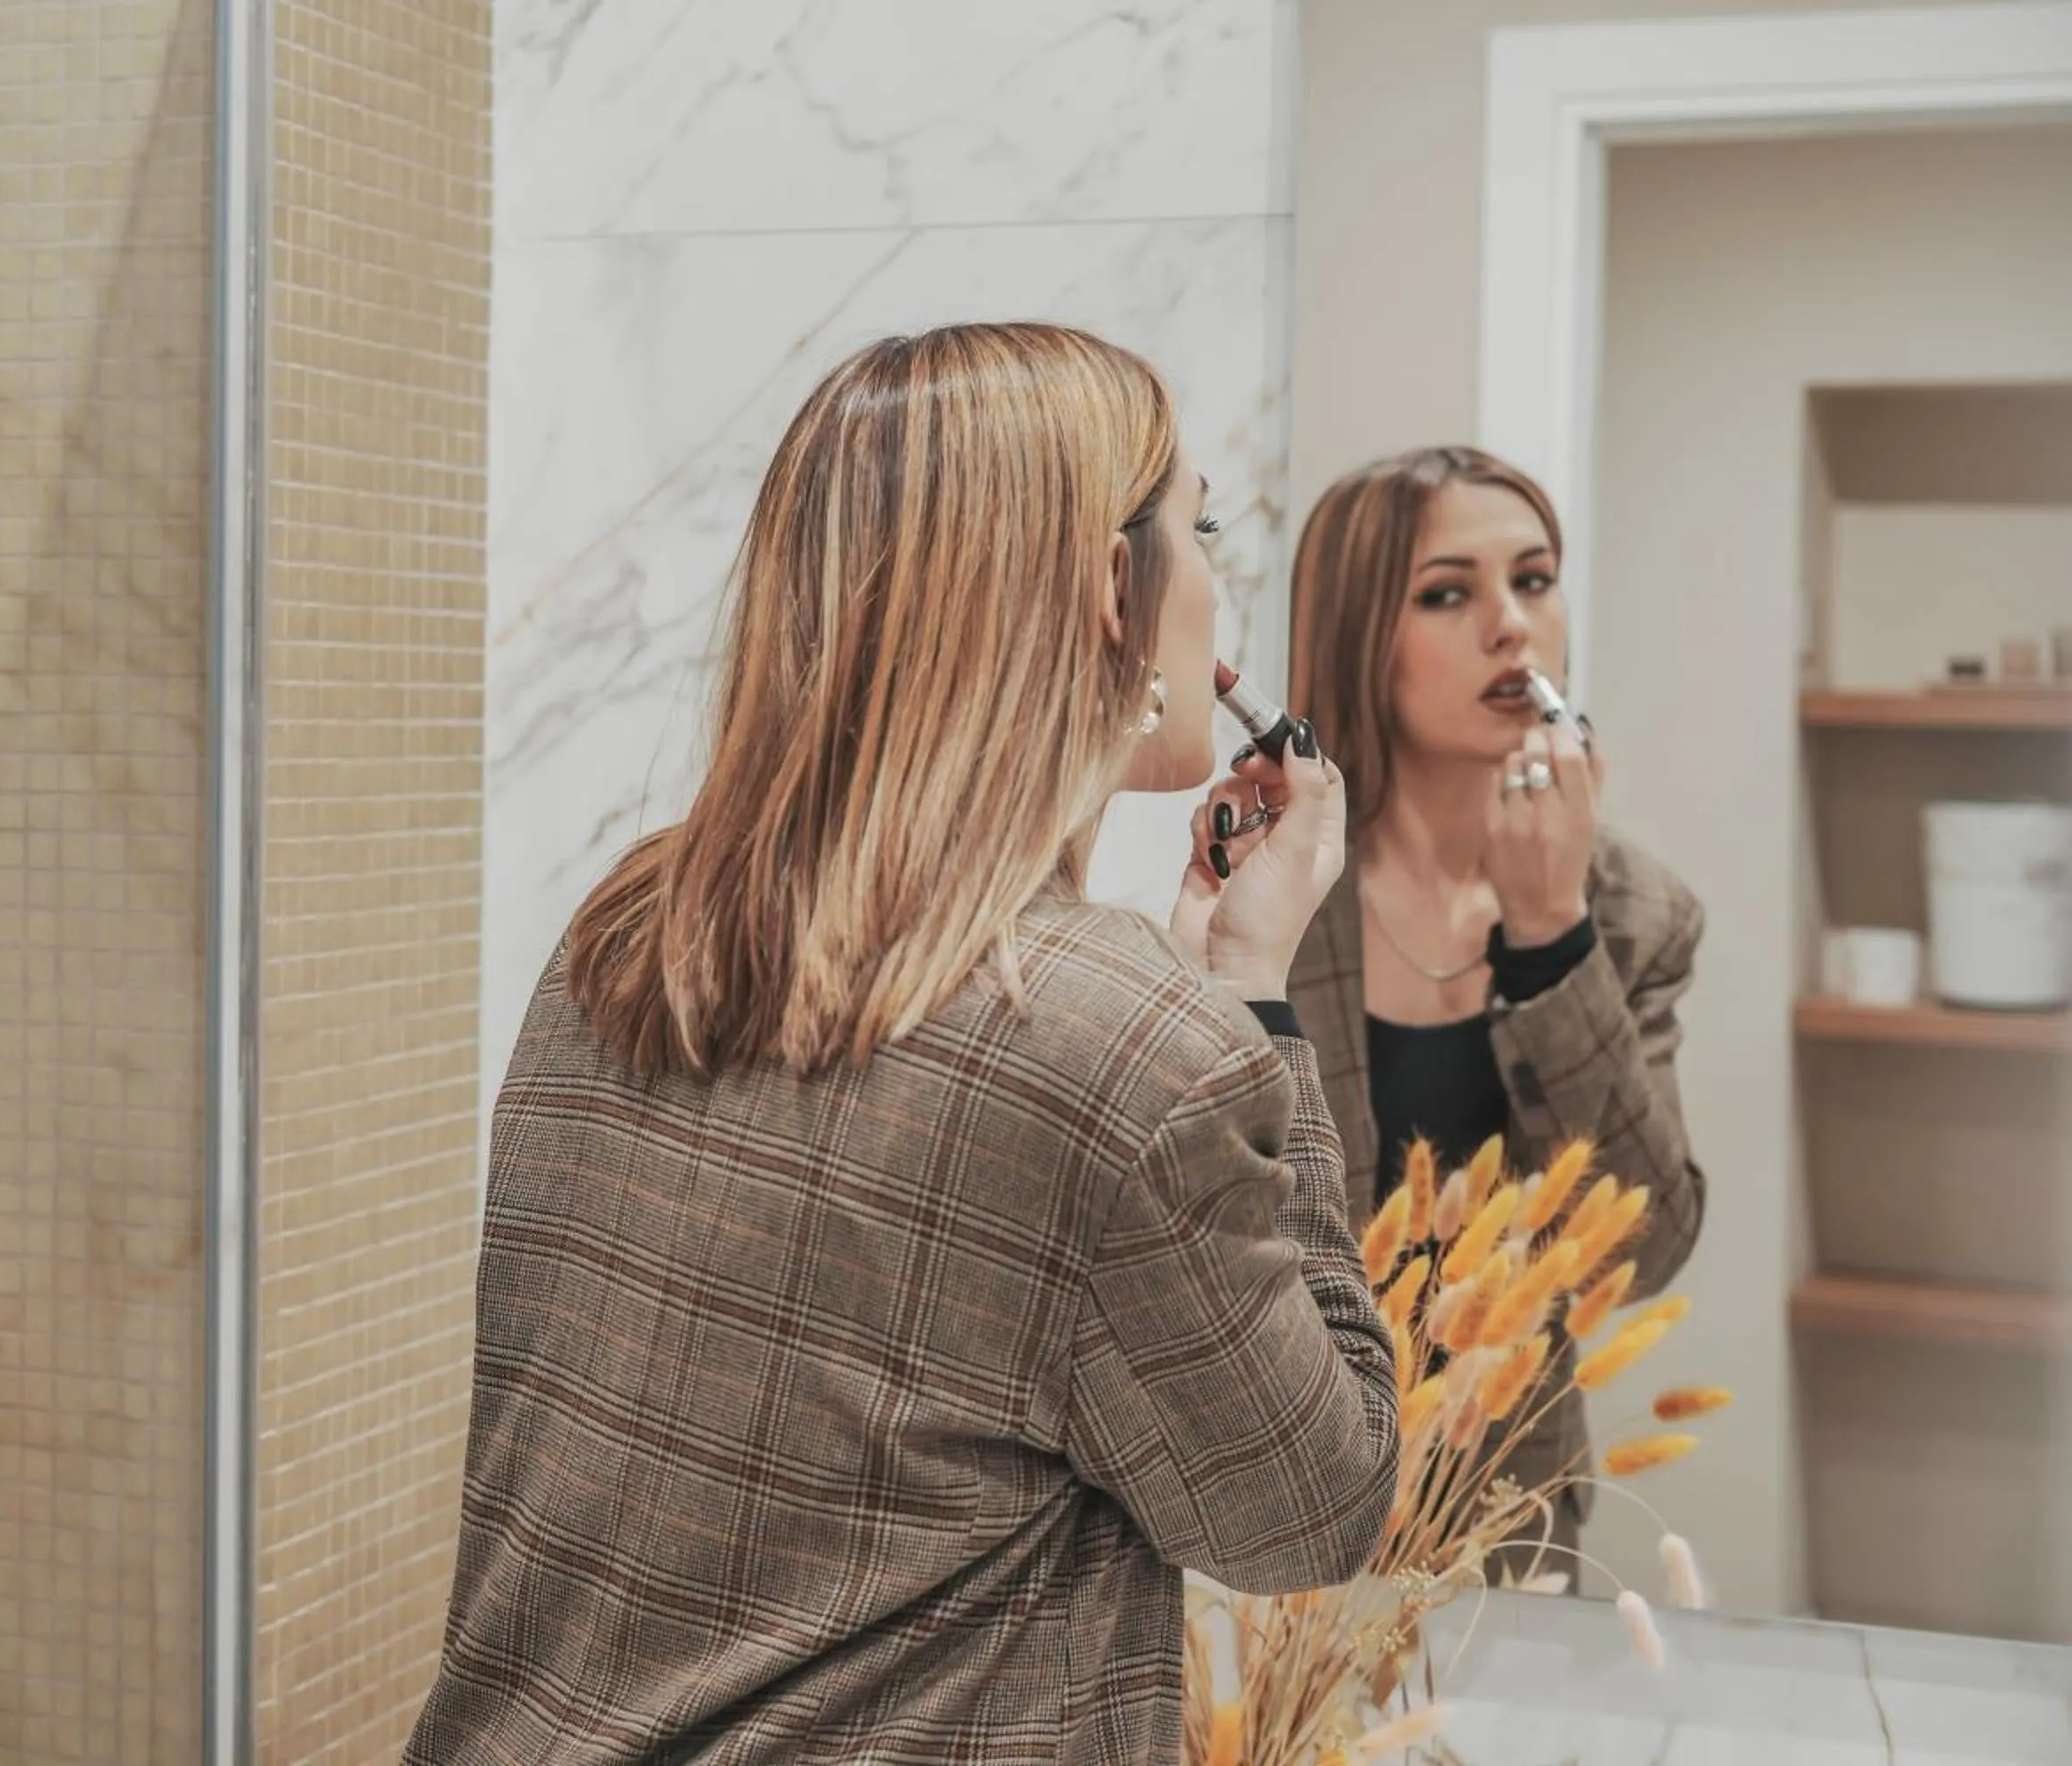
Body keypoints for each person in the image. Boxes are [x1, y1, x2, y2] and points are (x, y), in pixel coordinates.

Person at [404, 324, 1398, 1764]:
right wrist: (1244, 987)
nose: (1218, 606)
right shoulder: (1124, 1055)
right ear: (1115, 590)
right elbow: (1311, 1508)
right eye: (1203, 532)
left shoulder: (633, 931)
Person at [1284, 445, 1707, 1581]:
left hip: (1502, 1509)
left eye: (1534, 579)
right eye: (1448, 593)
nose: (1512, 626)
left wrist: (1553, 934)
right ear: (1358, 634)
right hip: (1267, 1491)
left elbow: (1647, 1242)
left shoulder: (1633, 911)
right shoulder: (1270, 896)